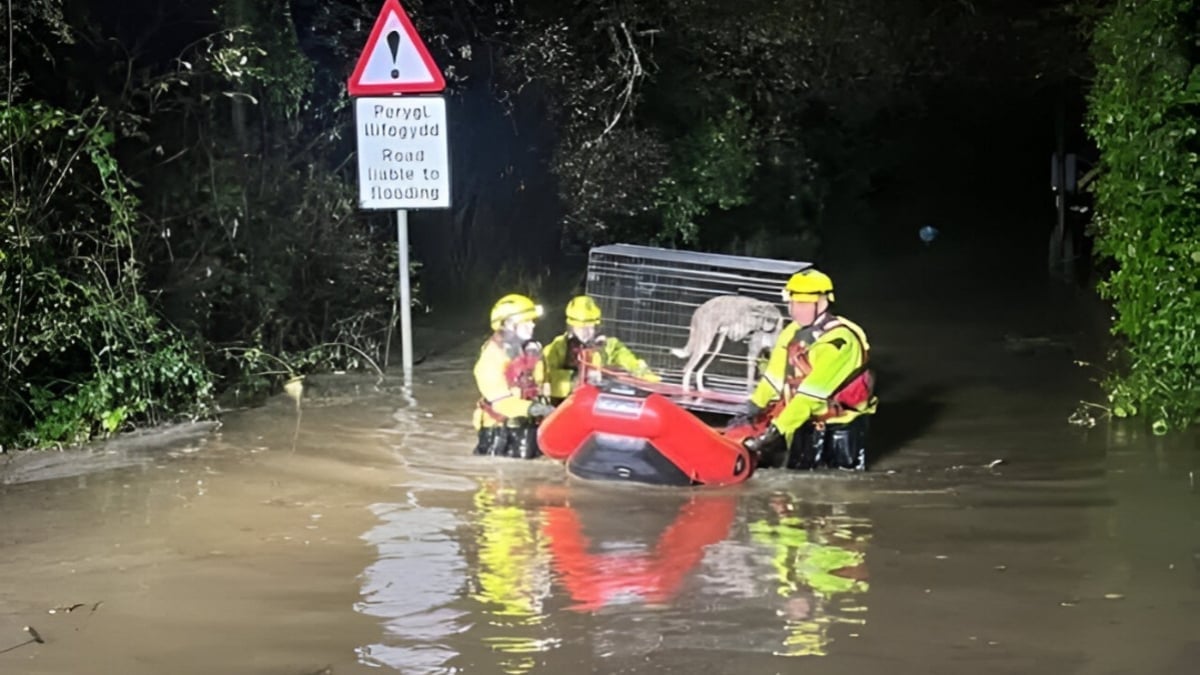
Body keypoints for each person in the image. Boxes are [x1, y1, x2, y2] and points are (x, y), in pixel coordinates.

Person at [735, 269, 877, 470]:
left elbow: (810, 396)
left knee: (841, 489)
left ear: (822, 303)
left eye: (802, 304)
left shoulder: (840, 342)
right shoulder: (792, 331)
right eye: (792, 303)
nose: (794, 310)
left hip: (840, 428)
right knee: (798, 481)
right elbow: (774, 377)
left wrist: (773, 433)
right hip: (803, 422)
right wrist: (750, 409)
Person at [472, 293, 556, 458]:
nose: (532, 325)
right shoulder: (491, 358)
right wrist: (536, 409)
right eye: (525, 322)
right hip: (499, 433)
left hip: (531, 428)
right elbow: (501, 404)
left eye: (532, 321)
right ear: (507, 325)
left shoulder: (534, 350)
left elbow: (544, 383)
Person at [542, 295, 660, 403]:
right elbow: (545, 377)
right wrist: (577, 379)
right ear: (571, 327)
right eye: (579, 327)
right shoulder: (559, 346)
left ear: (596, 326)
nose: (584, 332)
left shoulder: (609, 346)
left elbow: (630, 361)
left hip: (600, 404)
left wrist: (646, 376)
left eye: (589, 327)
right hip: (566, 405)